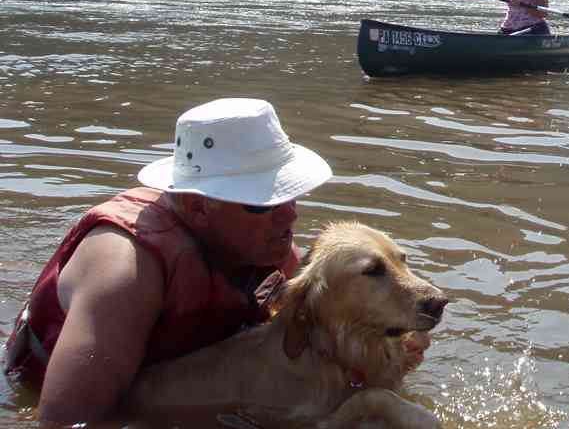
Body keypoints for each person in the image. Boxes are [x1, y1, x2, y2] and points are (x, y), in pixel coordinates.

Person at [4, 98, 334, 425]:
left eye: (289, 193)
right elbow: (66, 422)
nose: (290, 214)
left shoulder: (268, 248)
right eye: (263, 203)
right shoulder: (125, 270)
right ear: (196, 206)